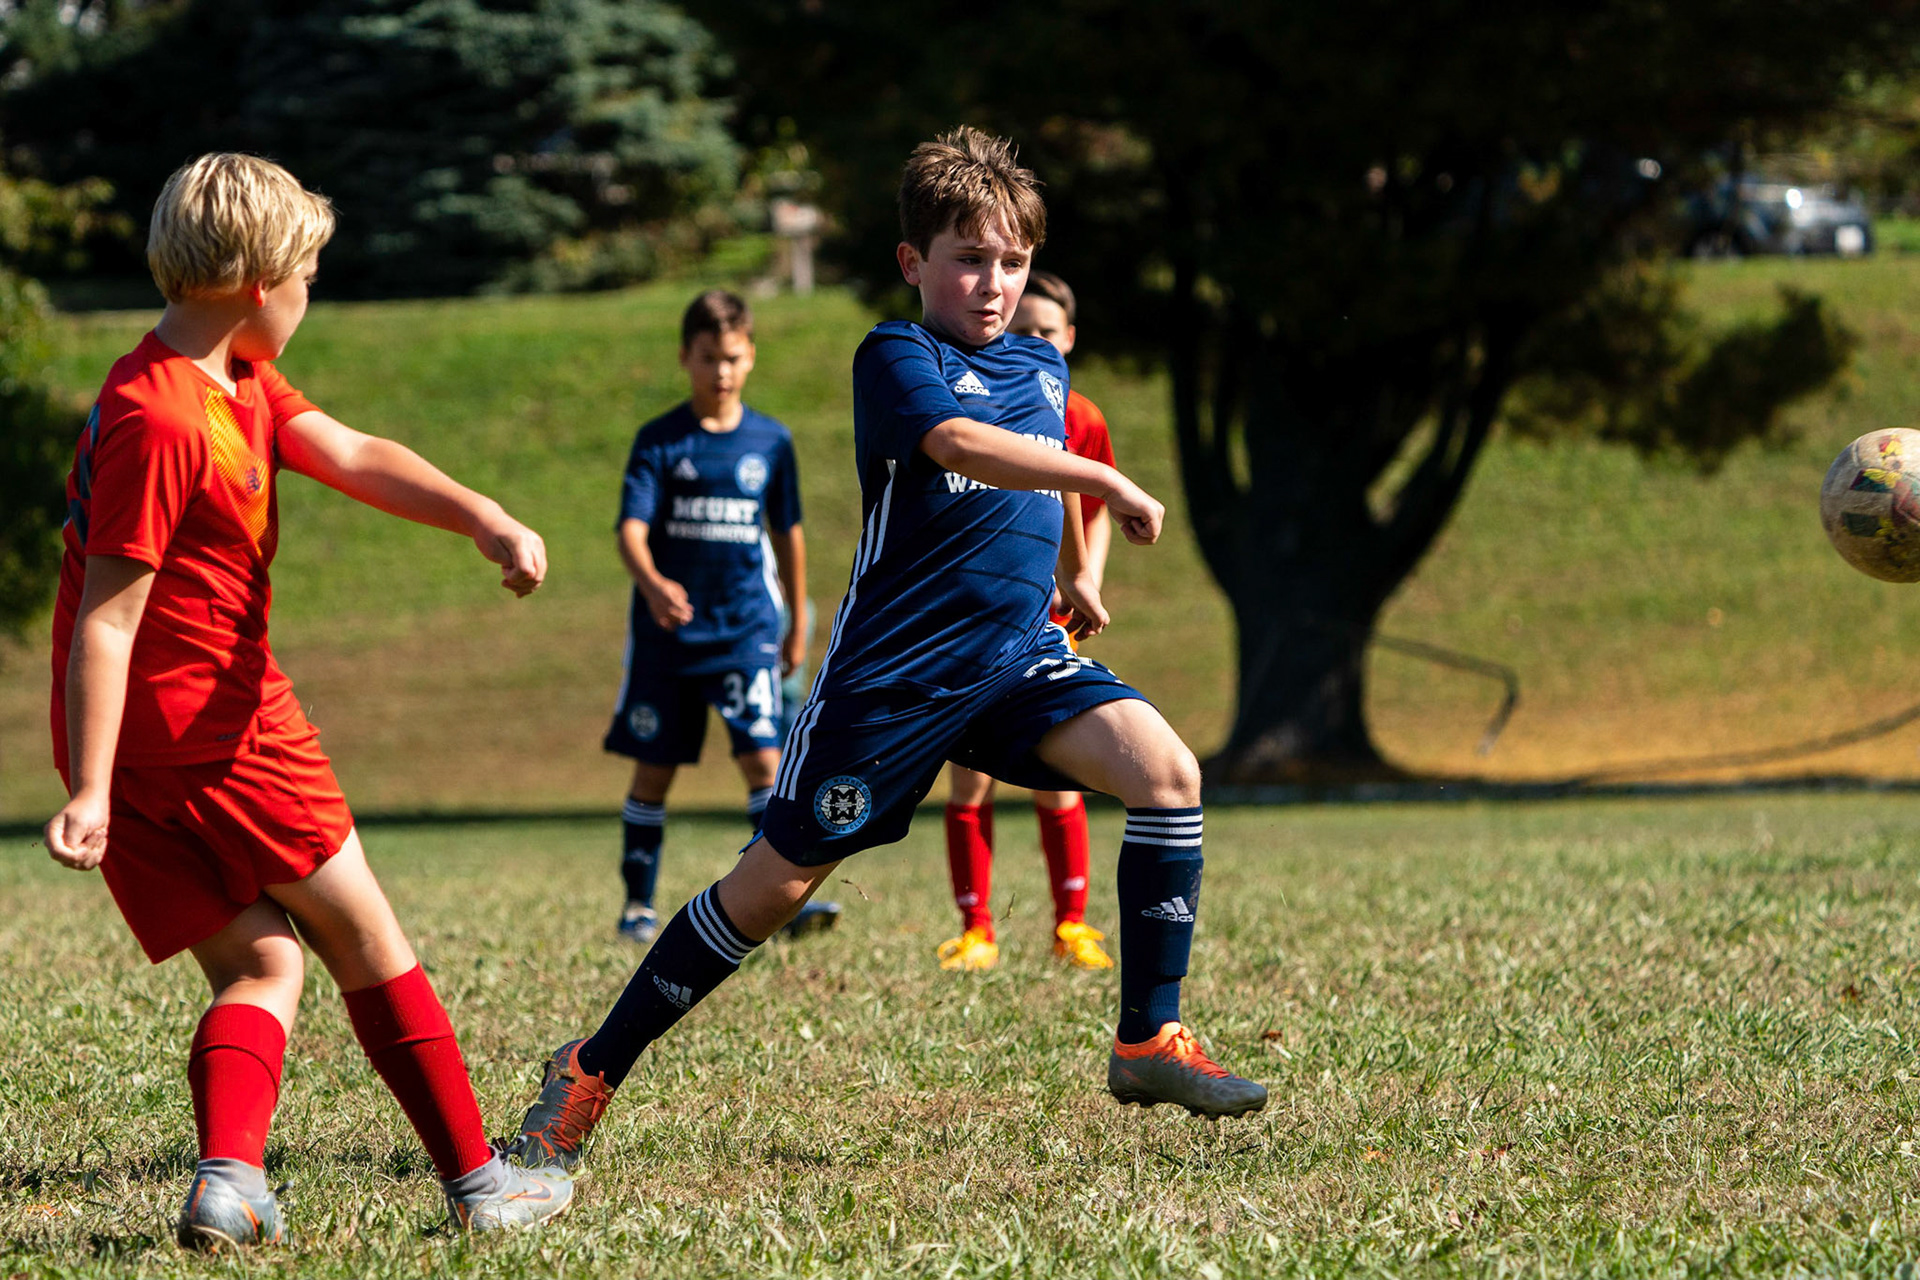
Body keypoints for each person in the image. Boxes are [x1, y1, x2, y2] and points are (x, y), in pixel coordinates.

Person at [508, 126, 1265, 1176]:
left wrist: (1063, 577)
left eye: (1012, 262)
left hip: (1015, 660)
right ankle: (589, 1067)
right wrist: (1104, 481)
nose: (993, 283)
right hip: (891, 681)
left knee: (1168, 770)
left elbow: (1007, 511)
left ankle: (1147, 1036)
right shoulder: (898, 356)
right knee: (771, 886)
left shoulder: (1043, 367)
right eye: (969, 259)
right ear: (916, 263)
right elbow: (956, 448)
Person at [39, 153, 572, 1249]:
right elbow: (106, 615)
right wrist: (90, 791)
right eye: (308, 277)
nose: (309, 298)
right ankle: (482, 1184)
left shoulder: (223, 378)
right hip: (215, 737)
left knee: (262, 961)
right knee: (370, 938)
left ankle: (230, 1184)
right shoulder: (167, 419)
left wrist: (481, 514)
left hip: (140, 754)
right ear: (254, 280)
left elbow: (349, 449)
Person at [605, 290, 838, 945]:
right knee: (654, 771)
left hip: (744, 630)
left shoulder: (772, 441)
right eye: (708, 358)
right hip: (668, 637)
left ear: (751, 357)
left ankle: (779, 901)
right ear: (686, 357)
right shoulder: (660, 440)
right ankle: (638, 906)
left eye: (733, 358)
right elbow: (629, 529)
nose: (721, 372)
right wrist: (652, 583)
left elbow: (787, 533)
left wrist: (795, 619)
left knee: (766, 763)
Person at [937, 270, 1119, 973]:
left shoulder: (1084, 417)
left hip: (1050, 625)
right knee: (969, 779)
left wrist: (1086, 581)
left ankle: (1071, 924)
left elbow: (1091, 509)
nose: (1033, 341)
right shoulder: (977, 407)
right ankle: (976, 929)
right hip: (979, 621)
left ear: (1068, 339)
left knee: (1059, 775)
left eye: (1046, 332)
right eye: (1023, 331)